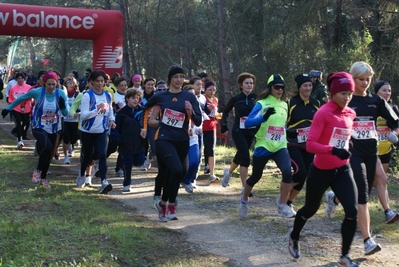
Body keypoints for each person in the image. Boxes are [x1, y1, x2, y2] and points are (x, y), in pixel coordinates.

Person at [325, 62, 399, 256]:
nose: (365, 83)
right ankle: (367, 239)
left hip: (371, 152)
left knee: (372, 184)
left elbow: (394, 120)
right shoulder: (346, 100)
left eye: (368, 79)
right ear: (353, 78)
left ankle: (335, 197)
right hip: (352, 152)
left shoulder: (376, 101)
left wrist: (394, 131)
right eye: (361, 79)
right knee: (362, 192)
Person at [288, 72, 358, 267]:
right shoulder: (323, 113)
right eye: (343, 93)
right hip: (320, 171)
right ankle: (294, 236)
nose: (347, 97)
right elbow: (311, 145)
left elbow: (344, 136)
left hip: (342, 170)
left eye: (350, 94)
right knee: (310, 209)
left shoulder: (351, 113)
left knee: (352, 211)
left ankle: (344, 256)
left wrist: (347, 145)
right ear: (334, 93)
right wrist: (333, 150)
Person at [141, 65, 202, 222]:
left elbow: (198, 120)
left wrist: (191, 112)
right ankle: (169, 204)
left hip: (182, 139)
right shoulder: (161, 96)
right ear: (170, 79)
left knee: (181, 171)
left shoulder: (189, 97)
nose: (179, 80)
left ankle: (164, 204)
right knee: (175, 169)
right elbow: (143, 108)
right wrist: (147, 125)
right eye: (176, 77)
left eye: (181, 77)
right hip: (163, 138)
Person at [239, 74, 294, 218]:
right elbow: (248, 122)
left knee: (288, 173)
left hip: (280, 145)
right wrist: (263, 117)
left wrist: (289, 132)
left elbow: (280, 125)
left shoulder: (284, 104)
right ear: (270, 87)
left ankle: (282, 205)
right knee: (256, 176)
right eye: (277, 87)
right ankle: (244, 200)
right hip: (264, 145)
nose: (280, 90)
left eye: (282, 87)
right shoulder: (262, 104)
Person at [2, 71, 69, 189]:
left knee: (50, 153)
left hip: (52, 127)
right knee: (47, 147)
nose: (51, 87)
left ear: (57, 83)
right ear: (44, 83)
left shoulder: (61, 94)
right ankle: (37, 171)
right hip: (38, 126)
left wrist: (63, 106)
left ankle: (43, 179)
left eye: (54, 84)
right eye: (49, 84)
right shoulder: (37, 92)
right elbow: (21, 99)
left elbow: (65, 113)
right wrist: (8, 108)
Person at [282, 74, 320, 211]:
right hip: (292, 144)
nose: (308, 88)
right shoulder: (290, 103)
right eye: (305, 85)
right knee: (299, 173)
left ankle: (287, 202)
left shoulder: (316, 104)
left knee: (304, 176)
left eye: (310, 85)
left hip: (309, 145)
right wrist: (288, 131)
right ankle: (282, 196)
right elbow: (282, 123)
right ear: (299, 88)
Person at [76, 70, 116, 194]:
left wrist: (112, 120)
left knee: (102, 155)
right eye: (97, 81)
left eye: (102, 81)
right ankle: (82, 174)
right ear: (91, 82)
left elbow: (110, 111)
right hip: (87, 131)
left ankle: (104, 182)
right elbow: (83, 115)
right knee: (87, 155)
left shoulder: (107, 96)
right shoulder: (87, 96)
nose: (99, 83)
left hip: (102, 130)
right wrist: (96, 111)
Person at [220, 72, 257, 194]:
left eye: (251, 83)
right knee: (245, 156)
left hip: (251, 131)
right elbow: (225, 111)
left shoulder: (256, 98)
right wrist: (224, 125)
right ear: (241, 85)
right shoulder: (236, 99)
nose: (249, 85)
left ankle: (228, 173)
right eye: (247, 83)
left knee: (240, 155)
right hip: (238, 130)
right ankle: (245, 187)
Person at [373, 81, 399, 224]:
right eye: (384, 90)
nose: (388, 93)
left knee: (377, 182)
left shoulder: (393, 108)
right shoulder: (371, 106)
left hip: (385, 150)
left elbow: (397, 125)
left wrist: (395, 134)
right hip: (371, 150)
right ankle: (388, 211)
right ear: (377, 92)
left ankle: (335, 198)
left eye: (389, 90)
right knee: (378, 180)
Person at [111, 88, 146, 192]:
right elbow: (115, 128)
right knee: (128, 164)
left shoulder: (142, 111)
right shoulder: (121, 113)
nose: (136, 100)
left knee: (140, 161)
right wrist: (119, 139)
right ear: (127, 99)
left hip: (139, 143)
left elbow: (146, 125)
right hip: (125, 144)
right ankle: (127, 183)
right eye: (133, 98)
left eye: (137, 98)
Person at [180, 84, 202, 193]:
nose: (191, 97)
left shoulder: (196, 106)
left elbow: (200, 120)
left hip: (193, 139)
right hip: (179, 139)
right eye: (189, 95)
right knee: (179, 165)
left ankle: (187, 180)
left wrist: (198, 128)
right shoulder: (178, 105)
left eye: (193, 95)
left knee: (194, 161)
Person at [8, 72, 33, 149]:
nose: (20, 80)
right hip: (16, 109)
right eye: (19, 78)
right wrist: (11, 106)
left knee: (25, 123)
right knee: (19, 123)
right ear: (16, 79)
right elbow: (10, 99)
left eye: (22, 78)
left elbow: (31, 98)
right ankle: (20, 140)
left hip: (26, 109)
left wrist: (30, 104)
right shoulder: (13, 88)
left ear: (24, 79)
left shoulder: (29, 87)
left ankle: (18, 133)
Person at [202, 80, 220, 182]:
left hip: (211, 126)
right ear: (205, 89)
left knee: (211, 149)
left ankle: (212, 173)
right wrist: (207, 109)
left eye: (214, 90)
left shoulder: (215, 99)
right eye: (210, 90)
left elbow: (215, 113)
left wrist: (218, 116)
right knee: (200, 149)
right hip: (201, 127)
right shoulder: (202, 98)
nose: (212, 92)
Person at [62, 77, 80, 164]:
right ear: (66, 84)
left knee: (74, 139)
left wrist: (78, 112)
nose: (71, 85)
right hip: (65, 120)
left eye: (73, 83)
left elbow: (81, 106)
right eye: (70, 83)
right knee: (65, 139)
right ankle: (66, 157)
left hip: (75, 121)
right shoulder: (63, 94)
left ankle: (72, 146)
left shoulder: (77, 94)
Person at [141, 77, 157, 171]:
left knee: (154, 146)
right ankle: (143, 161)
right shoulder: (140, 96)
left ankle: (149, 157)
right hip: (142, 122)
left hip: (153, 123)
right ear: (144, 85)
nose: (150, 86)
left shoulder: (157, 96)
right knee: (144, 144)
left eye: (152, 85)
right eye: (148, 84)